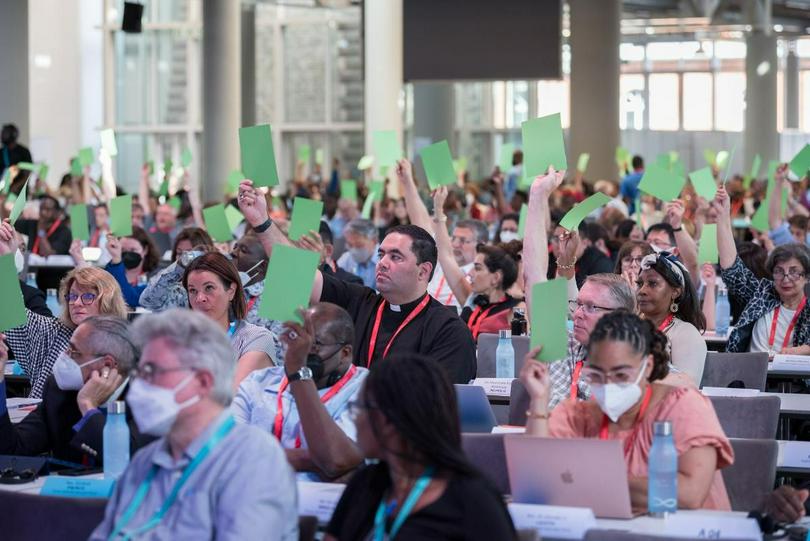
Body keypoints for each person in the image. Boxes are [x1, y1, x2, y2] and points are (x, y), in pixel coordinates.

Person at [237, 180, 477, 384]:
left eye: (396, 257)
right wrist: (262, 222)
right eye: (381, 255)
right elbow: (298, 273)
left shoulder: (448, 330)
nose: (382, 263)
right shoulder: (361, 301)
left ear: (423, 271)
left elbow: (443, 405)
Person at [89, 309, 298, 541]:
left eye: (152, 371)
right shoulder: (145, 462)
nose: (140, 384)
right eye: (139, 371)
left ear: (202, 381)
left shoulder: (253, 460)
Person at [520, 310, 733, 512]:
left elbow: (690, 494)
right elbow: (537, 478)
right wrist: (539, 400)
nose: (608, 384)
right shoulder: (580, 415)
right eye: (597, 375)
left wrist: (588, 480)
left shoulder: (682, 406)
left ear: (647, 367)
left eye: (620, 375)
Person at [325, 355, 517, 540]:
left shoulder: (474, 502)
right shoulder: (365, 484)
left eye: (360, 407)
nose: (355, 417)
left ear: (388, 421)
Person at [233, 303, 366, 481]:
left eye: (315, 344)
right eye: (298, 339)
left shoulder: (366, 388)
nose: (302, 350)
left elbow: (336, 461)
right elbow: (230, 451)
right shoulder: (257, 383)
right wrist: (314, 461)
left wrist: (299, 373)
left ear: (345, 353)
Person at [1, 218, 128, 397]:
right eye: (73, 296)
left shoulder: (118, 345)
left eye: (87, 297)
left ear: (107, 301)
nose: (76, 302)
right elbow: (12, 312)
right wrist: (7, 255)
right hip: (40, 418)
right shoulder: (55, 331)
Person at [0, 316, 151, 464]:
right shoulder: (58, 391)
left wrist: (88, 407)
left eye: (73, 352)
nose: (63, 357)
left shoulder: (150, 399)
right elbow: (12, 449)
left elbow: (125, 460)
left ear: (108, 364)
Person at [714, 185, 810, 355]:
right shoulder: (762, 295)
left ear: (807, 277)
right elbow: (731, 267)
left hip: (795, 380)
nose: (786, 278)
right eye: (779, 271)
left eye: (794, 272)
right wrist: (723, 216)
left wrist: (805, 350)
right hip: (752, 377)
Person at [183, 252, 279, 385]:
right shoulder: (182, 340)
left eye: (209, 288)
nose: (200, 298)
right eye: (192, 290)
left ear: (231, 291)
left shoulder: (256, 338)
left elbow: (230, 395)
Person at [636, 251, 707, 386]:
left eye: (652, 283)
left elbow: (687, 386)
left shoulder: (686, 333)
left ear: (675, 292)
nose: (642, 291)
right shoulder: (630, 326)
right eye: (639, 284)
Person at [139, 227, 215, 311]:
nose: (184, 258)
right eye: (179, 253)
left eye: (190, 254)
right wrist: (179, 267)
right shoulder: (173, 288)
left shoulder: (215, 286)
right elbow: (146, 301)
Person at [336, 218, 379, 289]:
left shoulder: (385, 260)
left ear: (374, 241)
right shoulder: (346, 258)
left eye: (359, 245)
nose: (354, 250)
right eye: (350, 245)